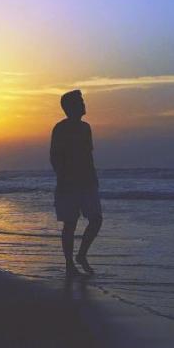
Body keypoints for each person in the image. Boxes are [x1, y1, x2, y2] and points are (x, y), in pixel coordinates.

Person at [50, 89, 102, 276]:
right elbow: (55, 157)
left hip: (88, 182)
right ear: (70, 107)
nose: (83, 105)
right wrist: (62, 178)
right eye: (80, 102)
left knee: (96, 219)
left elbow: (88, 155)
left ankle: (81, 255)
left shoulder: (86, 127)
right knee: (70, 224)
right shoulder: (60, 128)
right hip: (68, 183)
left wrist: (93, 178)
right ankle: (69, 264)